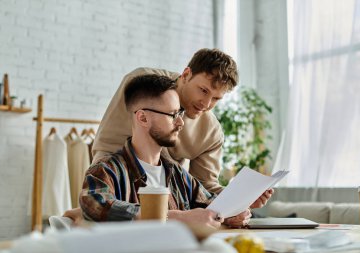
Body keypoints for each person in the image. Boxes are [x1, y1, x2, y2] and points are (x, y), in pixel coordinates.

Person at [64, 48, 273, 223]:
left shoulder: (194, 154)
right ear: (186, 74)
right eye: (203, 90)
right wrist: (98, 210)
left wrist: (236, 205)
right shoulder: (143, 87)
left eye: (216, 99)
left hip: (168, 201)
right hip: (129, 198)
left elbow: (203, 192)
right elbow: (107, 152)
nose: (206, 104)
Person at [79, 74, 251, 228]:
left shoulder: (177, 174)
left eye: (180, 113)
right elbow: (96, 205)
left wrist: (232, 214)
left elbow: (211, 203)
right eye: (172, 115)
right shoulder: (106, 170)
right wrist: (177, 217)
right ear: (143, 118)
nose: (180, 123)